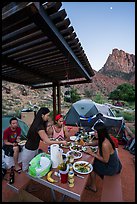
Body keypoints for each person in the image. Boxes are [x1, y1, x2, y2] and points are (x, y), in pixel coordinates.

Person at [85, 121, 122, 192]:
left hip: (111, 168)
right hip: (115, 164)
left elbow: (105, 160)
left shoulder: (105, 144)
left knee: (90, 166)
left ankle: (93, 186)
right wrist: (87, 144)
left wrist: (91, 153)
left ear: (100, 132)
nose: (94, 133)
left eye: (96, 132)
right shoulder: (104, 138)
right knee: (93, 161)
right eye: (94, 131)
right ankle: (94, 182)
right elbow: (96, 142)